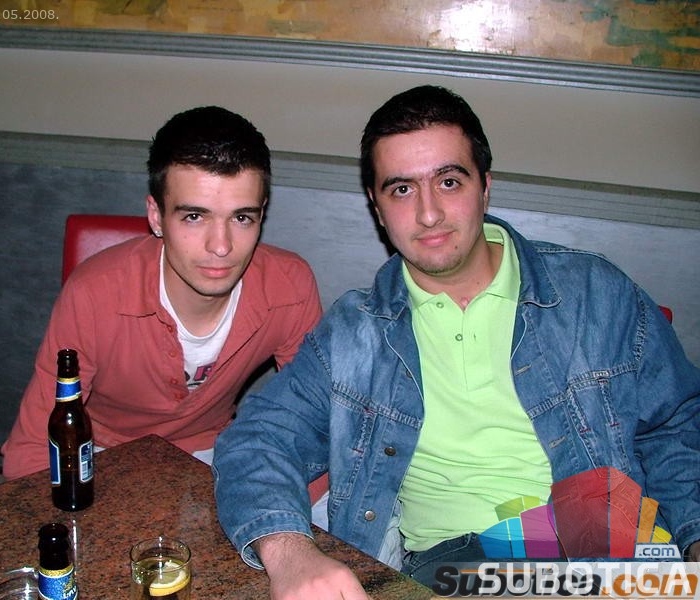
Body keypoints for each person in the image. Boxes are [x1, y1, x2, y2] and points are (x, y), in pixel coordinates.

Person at [213, 85, 700, 597]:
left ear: (485, 187)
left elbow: (678, 426)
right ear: (377, 207)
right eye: (402, 190)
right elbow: (259, 438)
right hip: (459, 569)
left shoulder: (595, 293)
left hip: (610, 554)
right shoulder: (356, 334)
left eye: (448, 182)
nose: (429, 214)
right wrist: (290, 554)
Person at [2, 106, 323, 479]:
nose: (221, 246)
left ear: (261, 215)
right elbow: (33, 450)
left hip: (214, 453)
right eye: (194, 217)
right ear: (156, 216)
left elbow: (312, 425)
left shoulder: (290, 286)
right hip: (102, 455)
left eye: (241, 218)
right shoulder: (93, 294)